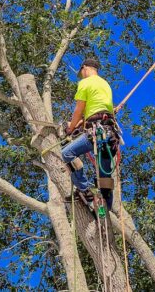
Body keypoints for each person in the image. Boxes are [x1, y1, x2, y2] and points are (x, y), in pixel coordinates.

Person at [61, 58, 119, 209]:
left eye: (81, 73)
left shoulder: (85, 83)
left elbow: (79, 111)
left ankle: (84, 189)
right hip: (110, 135)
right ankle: (106, 208)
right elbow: (97, 110)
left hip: (96, 132)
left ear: (84, 67)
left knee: (66, 154)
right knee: (104, 179)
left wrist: (70, 128)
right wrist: (79, 126)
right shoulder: (105, 84)